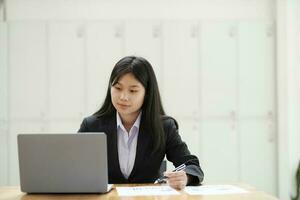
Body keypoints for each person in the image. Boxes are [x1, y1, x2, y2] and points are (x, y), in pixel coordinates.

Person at [78, 56, 204, 190]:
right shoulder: (91, 126)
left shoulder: (163, 127)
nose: (123, 97)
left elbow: (191, 166)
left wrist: (185, 177)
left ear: (147, 93)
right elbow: (72, 166)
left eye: (133, 91)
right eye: (118, 88)